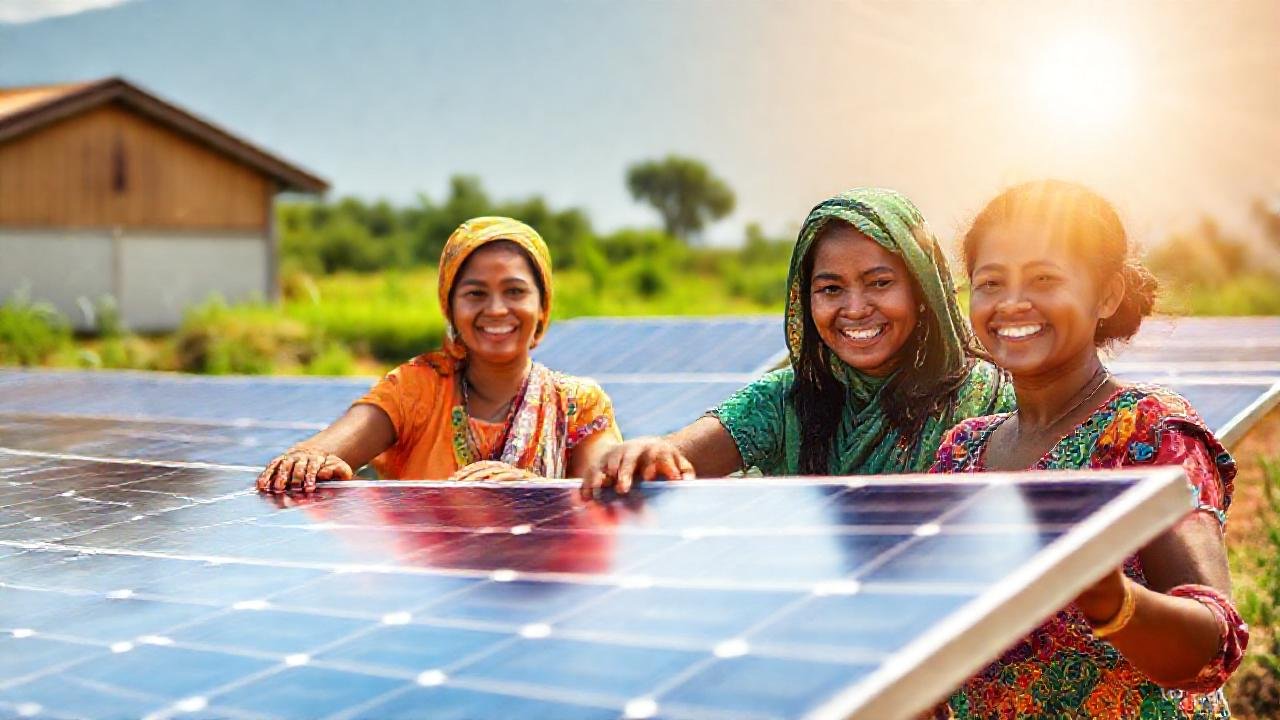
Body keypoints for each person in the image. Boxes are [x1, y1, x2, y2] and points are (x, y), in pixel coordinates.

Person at [930, 180, 1247, 718]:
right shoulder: (962, 449)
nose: (1012, 302)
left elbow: (1211, 647)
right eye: (990, 282)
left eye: (1044, 278)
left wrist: (1111, 599)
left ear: (1107, 294)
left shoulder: (1150, 433)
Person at [582, 187, 1013, 497]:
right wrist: (648, 450)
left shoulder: (989, 399)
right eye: (830, 289)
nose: (856, 308)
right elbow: (675, 458)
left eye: (879, 283)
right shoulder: (785, 400)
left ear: (923, 292)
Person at [257, 217, 621, 492]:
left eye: (515, 292)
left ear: (543, 306)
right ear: (450, 308)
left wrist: (532, 492)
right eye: (475, 294)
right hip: (425, 586)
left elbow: (604, 482)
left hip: (541, 589)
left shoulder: (576, 403)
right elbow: (323, 450)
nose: (496, 309)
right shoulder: (416, 389)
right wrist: (308, 461)